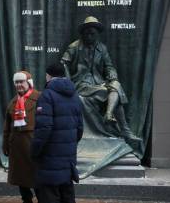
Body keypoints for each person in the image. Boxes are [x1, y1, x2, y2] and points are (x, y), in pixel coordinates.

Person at [61, 16, 141, 147]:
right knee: (108, 92)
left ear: (97, 34)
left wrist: (112, 76)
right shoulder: (74, 47)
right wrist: (68, 85)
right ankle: (125, 130)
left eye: (93, 34)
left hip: (98, 82)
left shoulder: (102, 48)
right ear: (83, 33)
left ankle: (109, 115)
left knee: (116, 85)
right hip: (81, 84)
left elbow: (109, 66)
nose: (90, 36)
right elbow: (64, 64)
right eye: (88, 33)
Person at [31, 63, 83, 203]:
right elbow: (80, 129)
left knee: (49, 197)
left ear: (48, 75)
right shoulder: (75, 96)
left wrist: (34, 151)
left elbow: (44, 129)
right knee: (67, 197)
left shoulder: (46, 95)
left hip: (49, 162)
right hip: (67, 161)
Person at [3, 71, 40, 203]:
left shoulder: (39, 98)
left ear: (28, 83)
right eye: (16, 82)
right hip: (17, 148)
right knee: (21, 178)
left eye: (21, 82)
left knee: (37, 179)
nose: (19, 85)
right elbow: (7, 127)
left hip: (33, 145)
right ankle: (26, 200)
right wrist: (5, 145)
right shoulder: (12, 102)